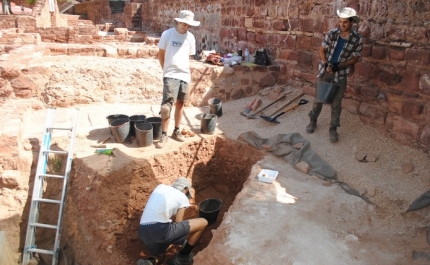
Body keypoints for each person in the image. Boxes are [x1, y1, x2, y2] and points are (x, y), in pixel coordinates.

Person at [306, 7, 363, 142]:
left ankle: (333, 128)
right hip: (325, 70)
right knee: (319, 98)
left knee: (336, 103)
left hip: (341, 73)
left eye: (345, 23)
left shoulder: (357, 39)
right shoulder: (332, 33)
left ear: (351, 22)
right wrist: (326, 63)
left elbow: (356, 57)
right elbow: (322, 49)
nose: (342, 25)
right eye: (340, 22)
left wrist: (340, 65)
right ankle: (313, 120)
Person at [138, 177, 208, 265]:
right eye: (187, 192)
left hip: (143, 231)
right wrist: (183, 240)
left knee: (159, 256)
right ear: (185, 188)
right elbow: (179, 222)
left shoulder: (160, 187)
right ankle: (183, 256)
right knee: (203, 222)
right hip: (161, 229)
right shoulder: (182, 197)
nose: (186, 195)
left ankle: (148, 262)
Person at [156, 10, 200, 149]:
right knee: (166, 105)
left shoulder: (190, 37)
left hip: (184, 75)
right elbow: (161, 54)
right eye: (184, 24)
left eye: (188, 25)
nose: (185, 27)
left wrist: (186, 73)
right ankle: (164, 134)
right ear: (178, 21)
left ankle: (176, 131)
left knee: (181, 103)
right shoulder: (167, 34)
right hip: (170, 73)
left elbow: (189, 56)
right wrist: (166, 70)